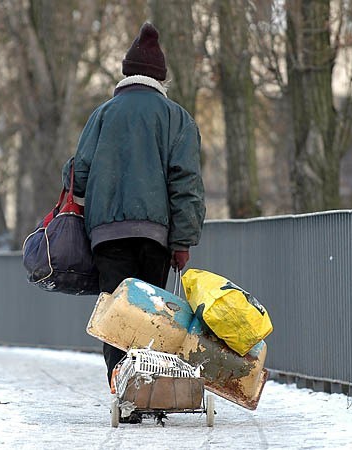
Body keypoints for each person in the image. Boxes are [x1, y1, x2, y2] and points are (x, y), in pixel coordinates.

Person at [62, 22, 205, 421]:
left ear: (127, 73)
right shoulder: (177, 119)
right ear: (161, 78)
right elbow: (186, 183)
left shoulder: (102, 115)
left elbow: (80, 175)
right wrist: (183, 240)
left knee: (117, 316)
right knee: (151, 313)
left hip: (107, 235)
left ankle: (125, 396)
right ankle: (153, 391)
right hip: (155, 236)